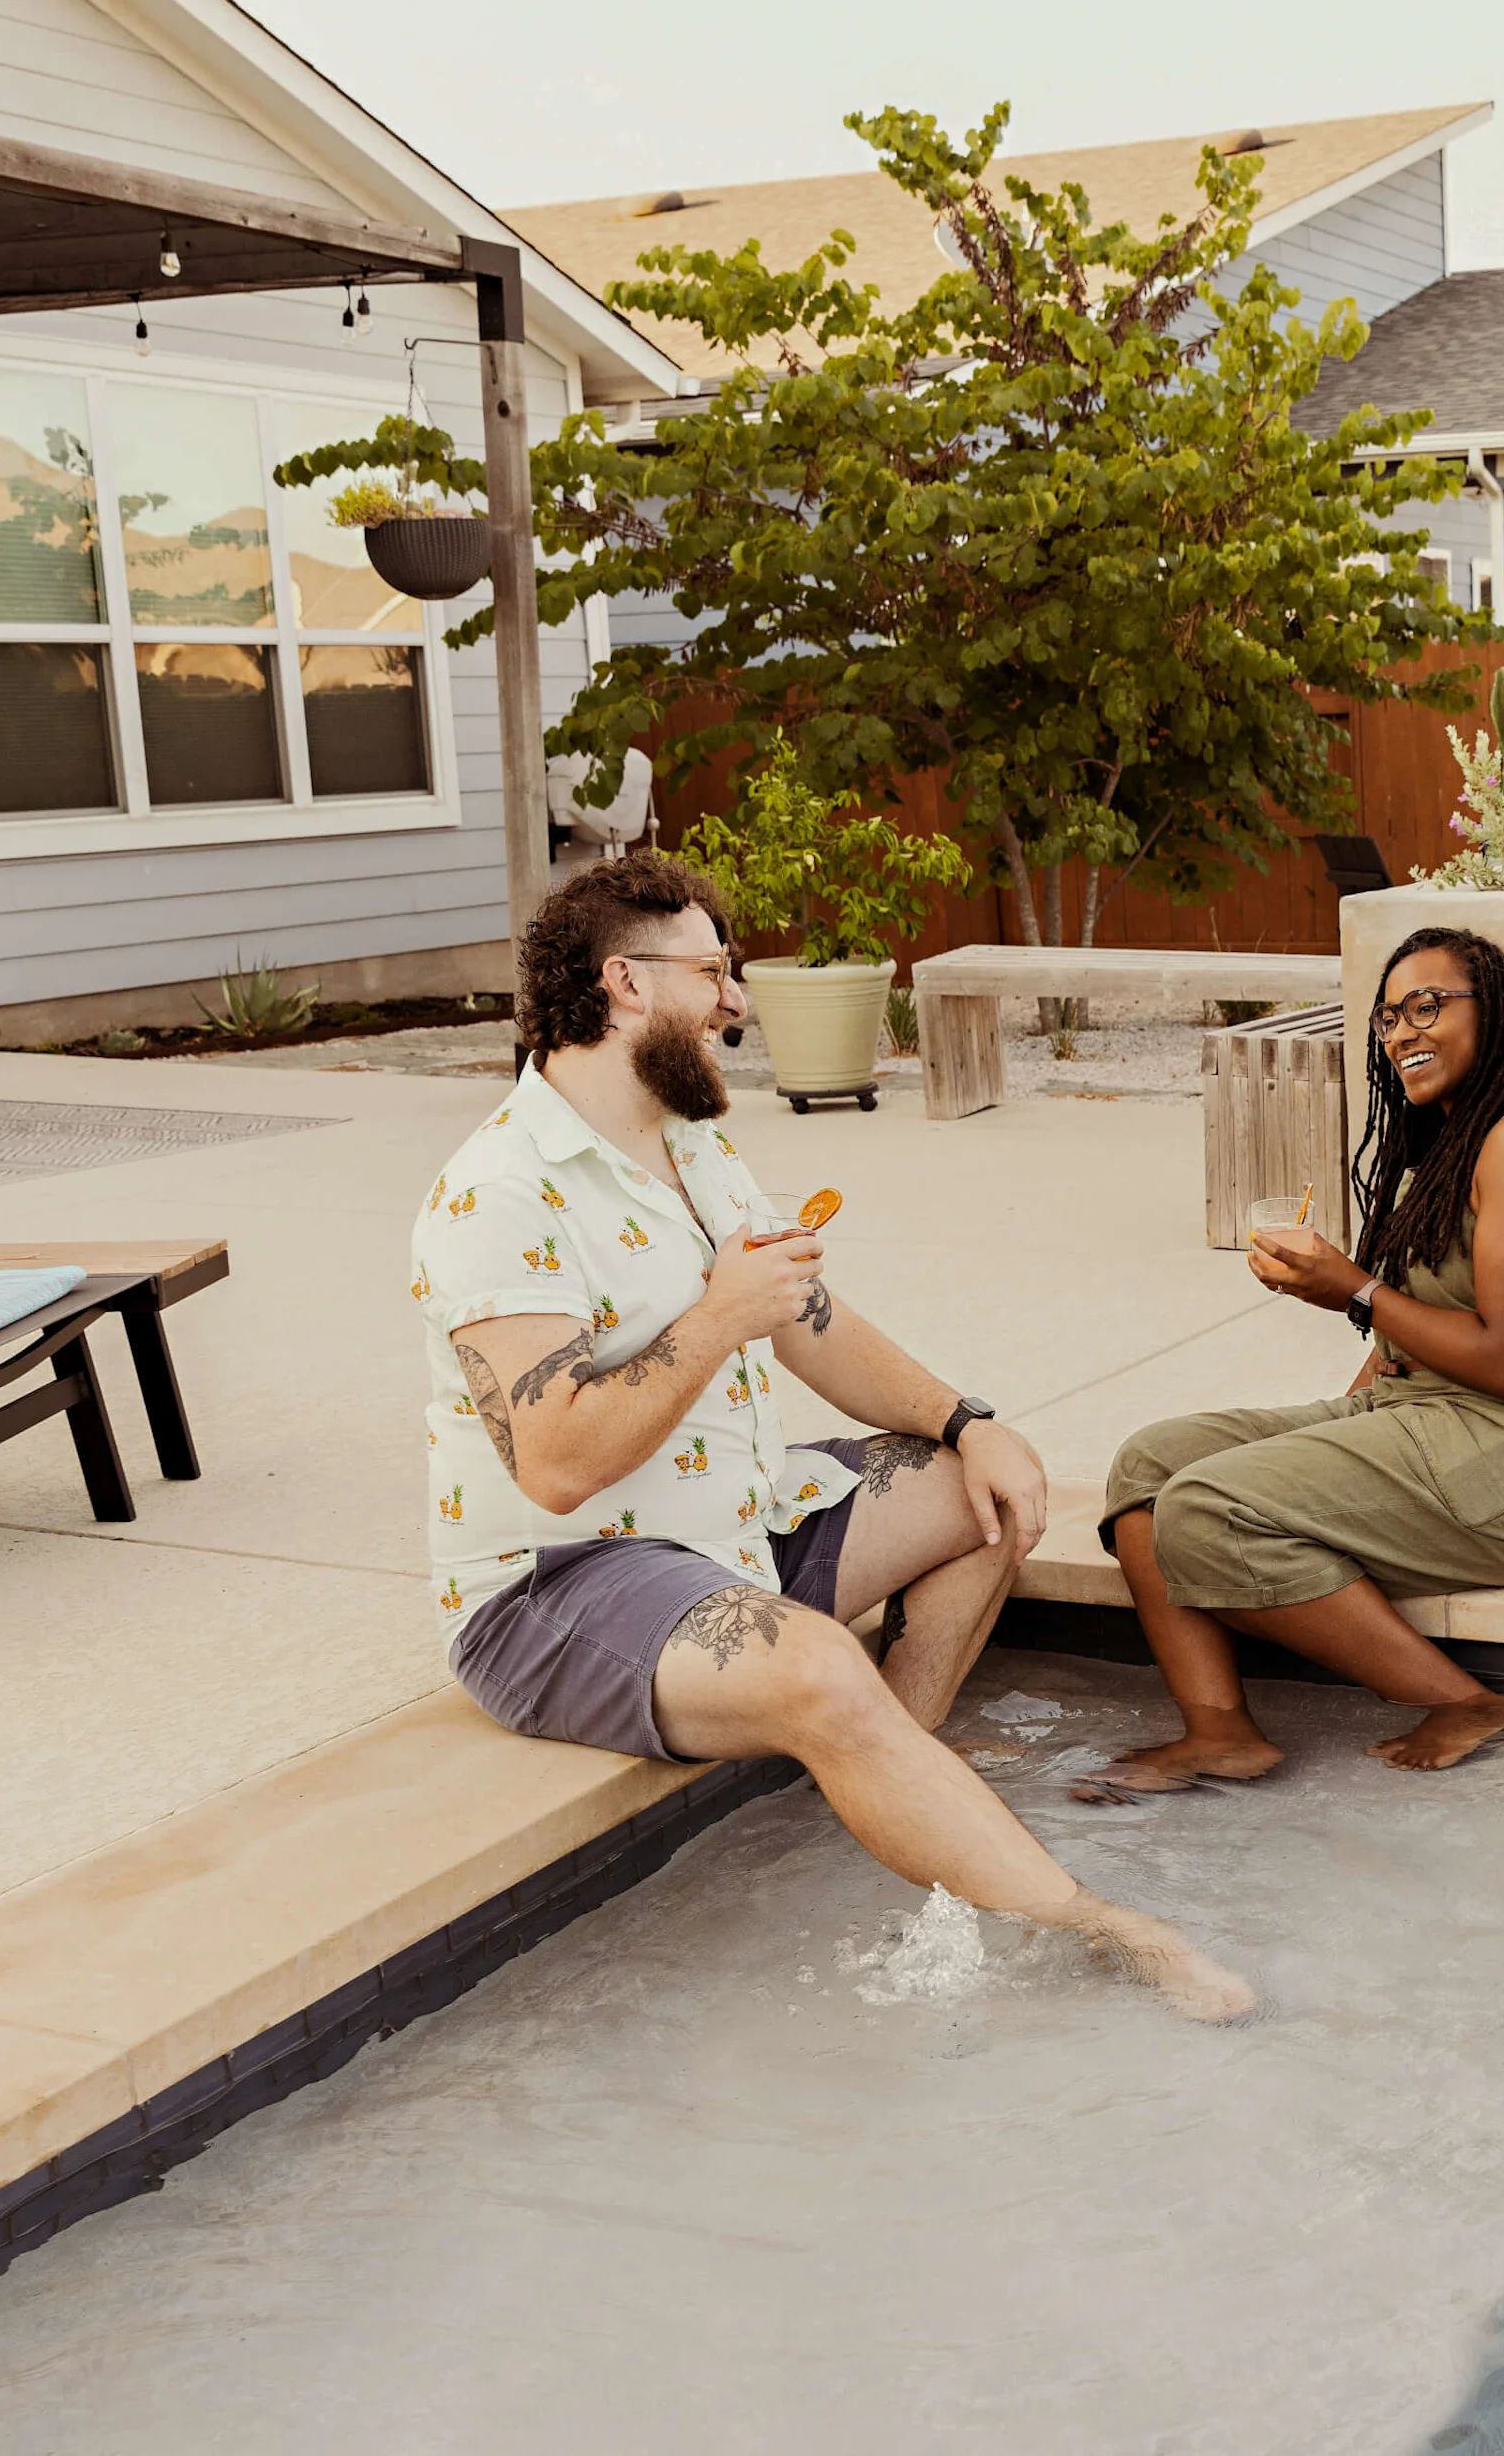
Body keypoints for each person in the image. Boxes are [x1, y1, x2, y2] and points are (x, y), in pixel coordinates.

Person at [414, 849, 1248, 2021]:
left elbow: (809, 1322)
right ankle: (1095, 1927)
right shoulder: (498, 1191)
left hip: (733, 1523)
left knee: (988, 1490)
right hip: (564, 1582)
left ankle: (895, 1773)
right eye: (716, 972)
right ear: (626, 983)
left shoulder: (684, 1141)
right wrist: (714, 1320)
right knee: (818, 1662)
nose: (738, 1000)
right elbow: (554, 1463)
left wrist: (969, 1420)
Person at [1083, 926, 1504, 1796]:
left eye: (1428, 1006)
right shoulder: (1447, 1142)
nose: (1402, 1033)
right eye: (1388, 1019)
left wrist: (1349, 1289)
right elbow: (1415, 1333)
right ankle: (1220, 1730)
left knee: (1205, 1510)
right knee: (1150, 1467)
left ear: (1490, 1011)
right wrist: (1338, 1433)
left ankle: (1466, 1701)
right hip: (1434, 1414)